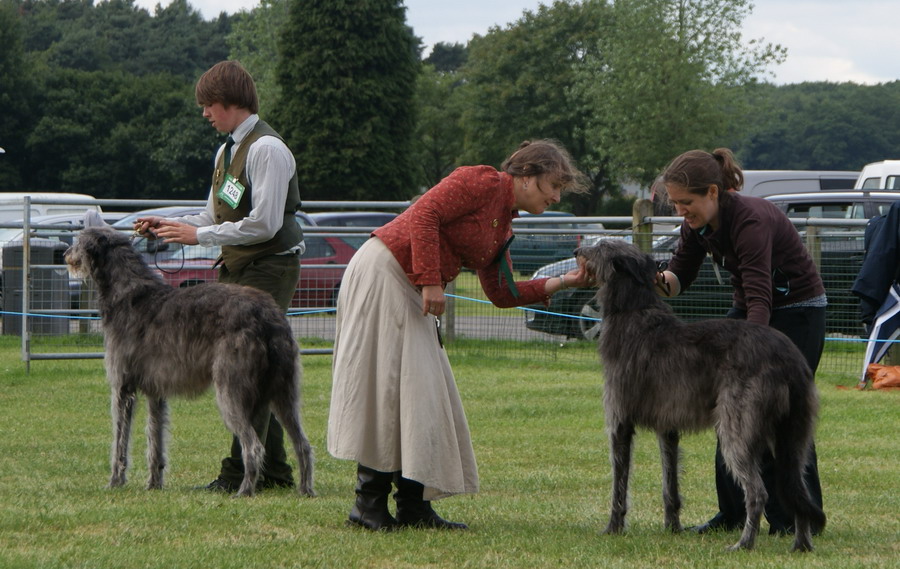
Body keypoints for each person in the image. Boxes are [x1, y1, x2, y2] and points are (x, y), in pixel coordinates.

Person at [328, 140, 590, 531]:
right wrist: (432, 281)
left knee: (423, 395)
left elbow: (503, 294)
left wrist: (565, 281)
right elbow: (425, 213)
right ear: (526, 176)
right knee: (390, 389)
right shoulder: (481, 180)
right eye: (553, 185)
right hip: (385, 272)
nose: (556, 195)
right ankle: (367, 508)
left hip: (412, 283)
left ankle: (413, 508)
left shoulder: (503, 223)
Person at [134, 60, 304, 492]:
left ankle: (239, 473)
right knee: (255, 368)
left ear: (230, 102)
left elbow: (265, 223)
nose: (205, 114)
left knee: (245, 367)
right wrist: (170, 225)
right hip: (239, 265)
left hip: (271, 264)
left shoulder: (268, 150)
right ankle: (275, 472)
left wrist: (200, 234)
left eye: (208, 105)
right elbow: (212, 215)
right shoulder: (228, 151)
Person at [655, 148, 826, 535]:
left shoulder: (750, 220)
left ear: (713, 193)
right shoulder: (696, 226)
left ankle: (795, 520)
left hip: (796, 312)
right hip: (750, 312)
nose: (681, 210)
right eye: (676, 203)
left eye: (687, 202)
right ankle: (732, 514)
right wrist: (648, 277)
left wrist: (750, 364)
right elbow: (678, 278)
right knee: (729, 413)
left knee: (778, 415)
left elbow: (761, 295)